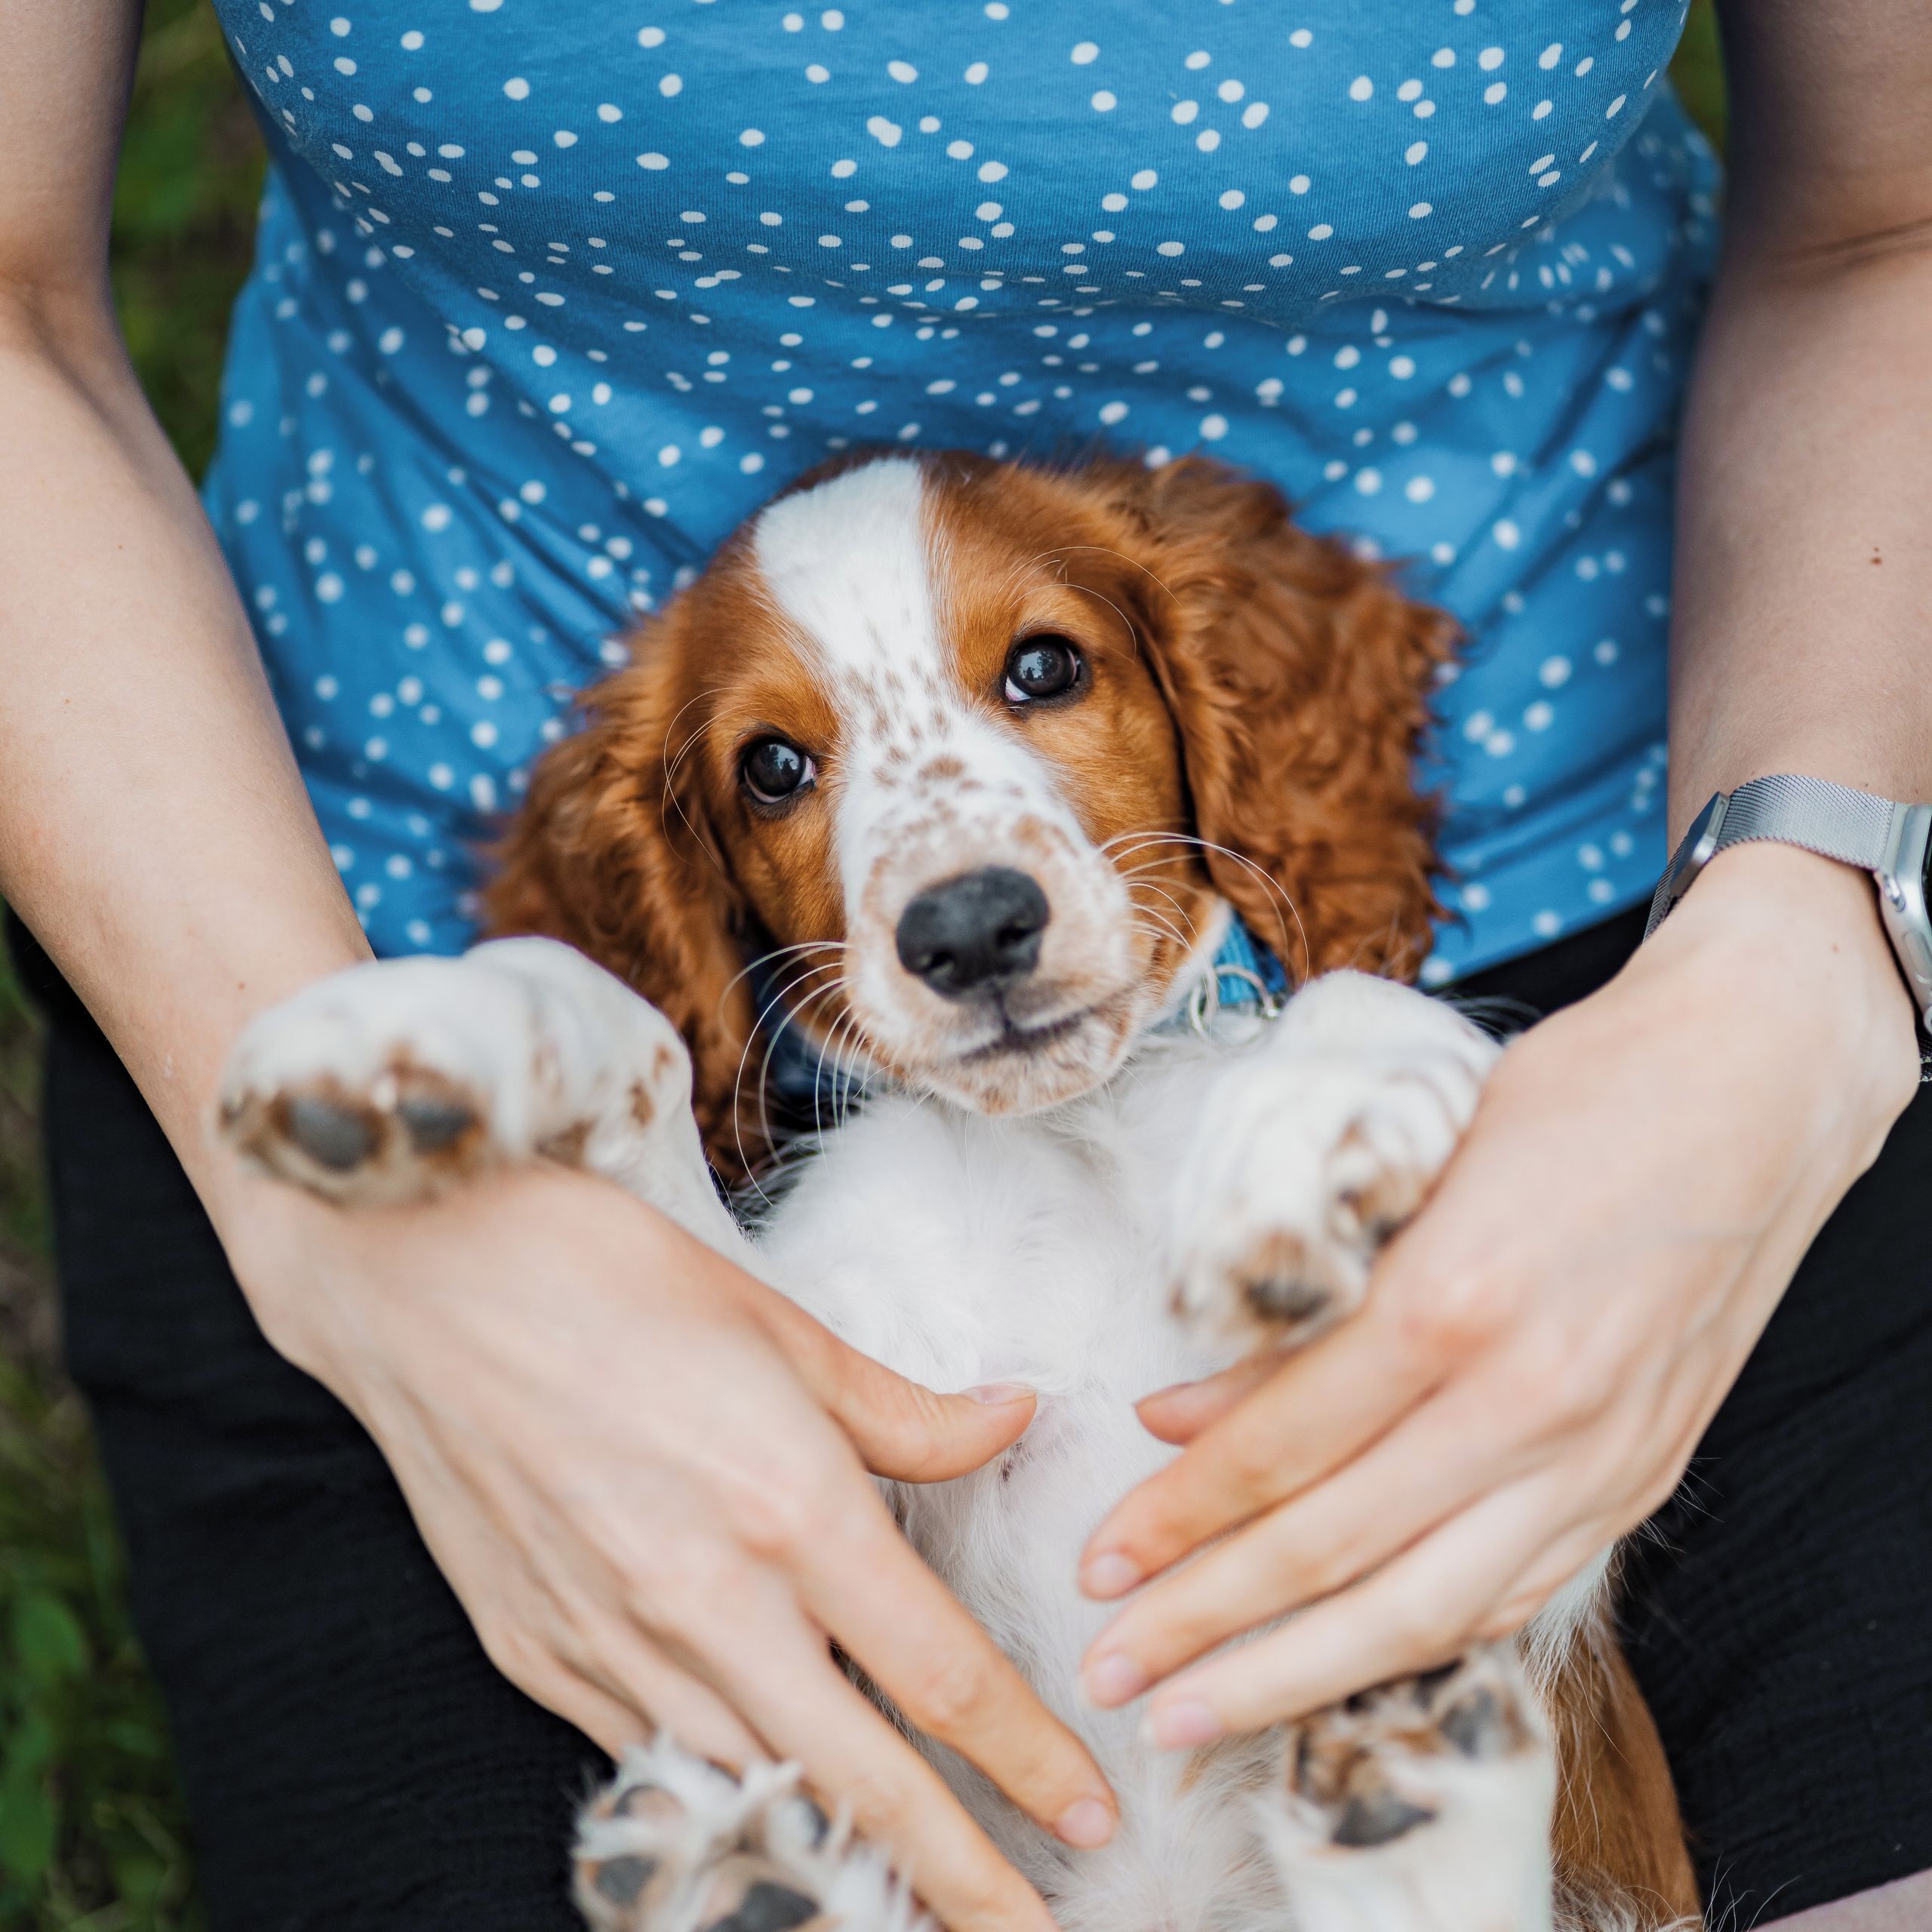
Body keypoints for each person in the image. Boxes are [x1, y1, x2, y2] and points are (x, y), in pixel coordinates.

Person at [2, 2, 1927, 1928]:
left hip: (1662, 840)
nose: (952, 876)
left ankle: (1392, 1776)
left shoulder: (1318, 1053)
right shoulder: (843, 1184)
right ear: (693, 885)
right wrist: (417, 1140)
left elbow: (1892, 213)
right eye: (783, 770)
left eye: (1039, 674)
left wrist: (1802, 956)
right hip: (313, 881)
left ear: (1206, 703)